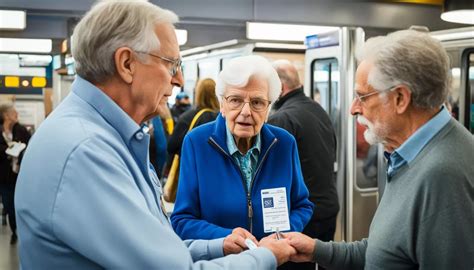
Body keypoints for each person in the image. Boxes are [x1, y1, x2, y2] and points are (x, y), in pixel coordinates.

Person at [14, 1, 297, 269]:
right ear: (126, 64)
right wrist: (264, 257)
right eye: (171, 64)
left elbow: (156, 249)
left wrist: (218, 246)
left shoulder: (105, 139)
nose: (179, 80)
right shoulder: (86, 151)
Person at [283, 29, 474, 269]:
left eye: (362, 97)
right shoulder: (407, 156)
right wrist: (317, 250)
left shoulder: (443, 175)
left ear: (400, 99)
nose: (353, 109)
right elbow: (388, 250)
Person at [171, 55, 313, 242]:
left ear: (268, 108)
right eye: (236, 100)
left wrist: (281, 236)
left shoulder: (284, 143)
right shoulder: (197, 143)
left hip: (272, 260)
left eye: (257, 102)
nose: (246, 112)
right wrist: (225, 238)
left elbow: (302, 206)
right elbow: (182, 220)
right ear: (222, 104)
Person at [268, 60, 339, 270]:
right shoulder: (319, 111)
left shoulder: (281, 119)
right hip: (328, 208)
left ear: (280, 87)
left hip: (302, 217)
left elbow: (271, 177)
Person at [0, 104, 30, 245]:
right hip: (4, 177)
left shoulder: (21, 129)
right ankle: (14, 230)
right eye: (13, 112)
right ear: (6, 115)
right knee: (9, 204)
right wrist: (9, 149)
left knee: (21, 204)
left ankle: (21, 231)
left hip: (21, 175)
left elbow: (29, 144)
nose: (16, 113)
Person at [167, 78, 219, 158]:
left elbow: (171, 146)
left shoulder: (187, 117)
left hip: (191, 165)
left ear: (198, 94)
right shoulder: (223, 118)